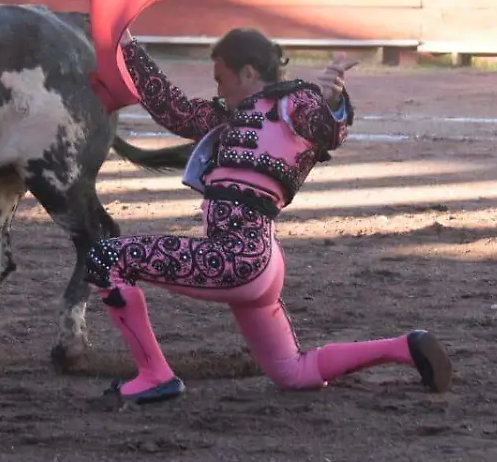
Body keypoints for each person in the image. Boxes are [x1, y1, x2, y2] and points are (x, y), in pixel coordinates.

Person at [84, 27, 453, 405]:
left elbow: (326, 130)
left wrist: (331, 99)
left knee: (107, 258)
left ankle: (154, 375)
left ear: (247, 73)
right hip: (259, 259)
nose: (218, 90)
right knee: (294, 372)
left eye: (221, 79)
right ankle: (405, 348)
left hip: (237, 257)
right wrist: (127, 45)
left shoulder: (294, 102)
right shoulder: (232, 115)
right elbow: (173, 109)